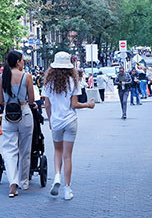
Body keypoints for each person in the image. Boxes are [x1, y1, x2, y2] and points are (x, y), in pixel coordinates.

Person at [43, 51, 95, 200]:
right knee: (68, 156)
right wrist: (88, 105)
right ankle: (67, 189)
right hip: (70, 121)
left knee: (57, 151)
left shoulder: (48, 83)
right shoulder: (74, 81)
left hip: (56, 122)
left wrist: (51, 120)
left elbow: (47, 104)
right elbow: (74, 104)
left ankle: (57, 176)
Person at [0, 50, 35, 198]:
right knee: (25, 150)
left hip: (8, 114)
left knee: (9, 149)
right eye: (22, 60)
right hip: (24, 112)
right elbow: (31, 99)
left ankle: (12, 181)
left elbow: (0, 100)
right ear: (18, 62)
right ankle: (23, 181)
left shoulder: (2, 77)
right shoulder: (27, 77)